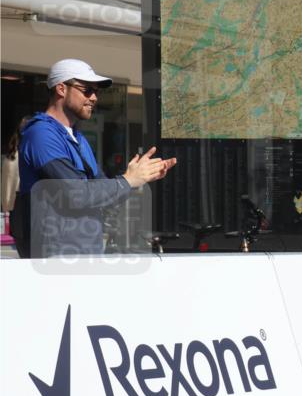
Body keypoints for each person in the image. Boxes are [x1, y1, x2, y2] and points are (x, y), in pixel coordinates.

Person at [11, 59, 177, 258]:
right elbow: (76, 193)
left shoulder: (77, 138)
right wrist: (127, 181)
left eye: (96, 91)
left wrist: (137, 178)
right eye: (87, 90)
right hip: (54, 258)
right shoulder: (41, 134)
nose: (94, 97)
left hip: (84, 254)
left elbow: (102, 194)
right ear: (61, 89)